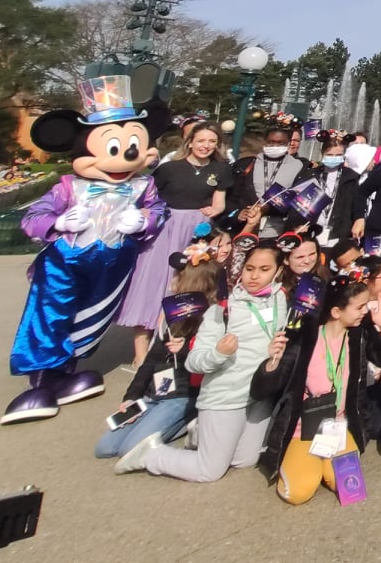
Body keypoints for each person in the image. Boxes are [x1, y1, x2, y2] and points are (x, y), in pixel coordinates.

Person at [117, 240, 286, 479]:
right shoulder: (223, 310)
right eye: (249, 268)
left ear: (278, 271)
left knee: (244, 460)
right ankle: (151, 456)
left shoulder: (280, 299)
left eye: (264, 269)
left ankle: (201, 434)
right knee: (209, 471)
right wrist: (219, 353)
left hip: (259, 394)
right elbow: (193, 362)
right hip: (225, 396)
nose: (255, 276)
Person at [254, 276, 381, 502]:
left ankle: (322, 462)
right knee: (298, 493)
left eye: (365, 306)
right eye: (359, 307)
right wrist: (272, 363)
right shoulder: (304, 339)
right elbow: (262, 390)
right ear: (336, 312)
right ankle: (307, 463)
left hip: (338, 425)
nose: (364, 312)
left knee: (349, 487)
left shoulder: (357, 336)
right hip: (304, 427)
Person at [117, 121, 229, 369]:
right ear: (190, 141)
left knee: (188, 286)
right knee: (153, 284)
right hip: (165, 229)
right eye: (201, 140)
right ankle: (141, 353)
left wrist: (214, 211)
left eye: (212, 141)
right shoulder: (169, 169)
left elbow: (220, 203)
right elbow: (147, 197)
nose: (206, 146)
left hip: (197, 232)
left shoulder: (221, 170)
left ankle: (175, 348)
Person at [96, 259, 216, 461]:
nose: (173, 281)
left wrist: (186, 349)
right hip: (156, 392)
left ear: (193, 283)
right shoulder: (172, 315)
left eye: (178, 277)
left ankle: (190, 419)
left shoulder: (211, 318)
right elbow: (151, 361)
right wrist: (131, 396)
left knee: (130, 450)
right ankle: (155, 420)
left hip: (182, 395)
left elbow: (212, 360)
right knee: (105, 448)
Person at [228, 126, 310, 237]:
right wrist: (238, 213)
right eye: (271, 142)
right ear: (264, 142)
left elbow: (299, 198)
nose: (275, 146)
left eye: (280, 143)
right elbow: (232, 196)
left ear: (288, 143)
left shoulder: (299, 166)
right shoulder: (246, 164)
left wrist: (270, 208)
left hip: (277, 230)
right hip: (246, 226)